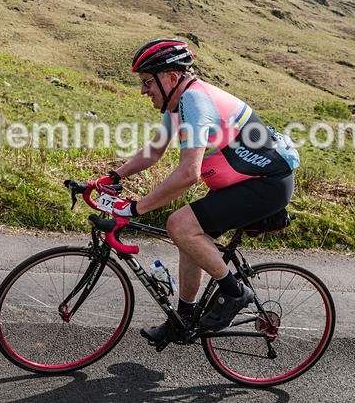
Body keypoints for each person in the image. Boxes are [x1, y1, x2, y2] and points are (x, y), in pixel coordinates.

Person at [100, 39, 297, 342]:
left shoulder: (195, 101)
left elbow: (188, 174)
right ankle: (184, 319)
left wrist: (135, 208)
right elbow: (154, 151)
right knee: (188, 236)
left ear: (171, 78)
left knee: (180, 225)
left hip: (266, 185)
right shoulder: (178, 104)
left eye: (147, 82)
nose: (143, 90)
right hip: (242, 183)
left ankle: (235, 293)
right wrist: (114, 176)